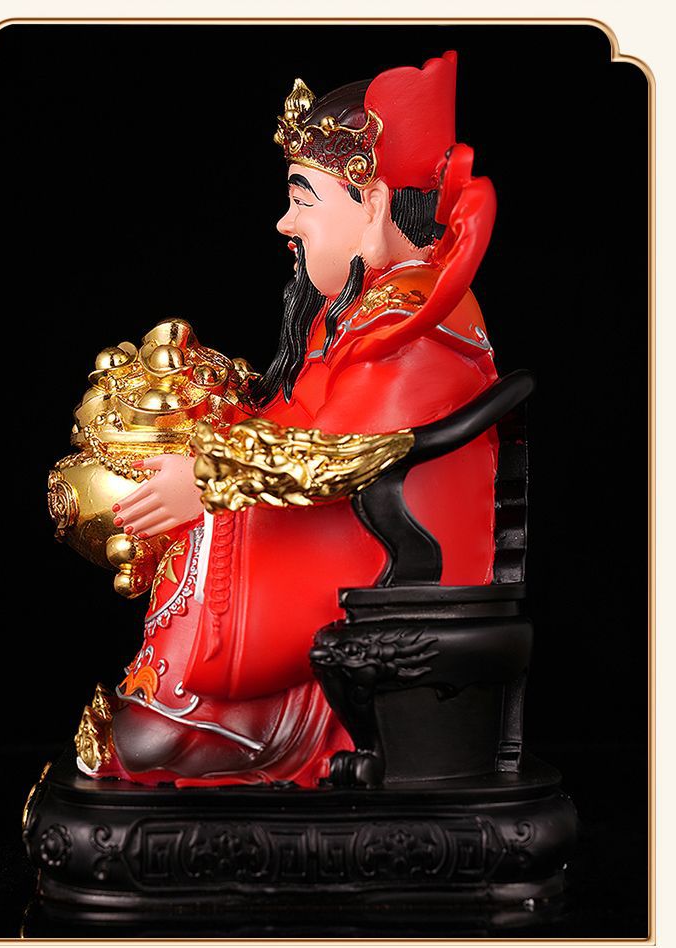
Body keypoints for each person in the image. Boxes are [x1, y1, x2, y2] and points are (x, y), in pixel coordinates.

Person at [75, 51, 499, 787]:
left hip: (395, 545)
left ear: (372, 204)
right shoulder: (359, 306)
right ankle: (195, 712)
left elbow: (338, 455)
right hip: (355, 519)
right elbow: (299, 416)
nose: (285, 223)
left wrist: (207, 481)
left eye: (304, 200)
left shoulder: (413, 320)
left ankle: (202, 720)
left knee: (209, 529)